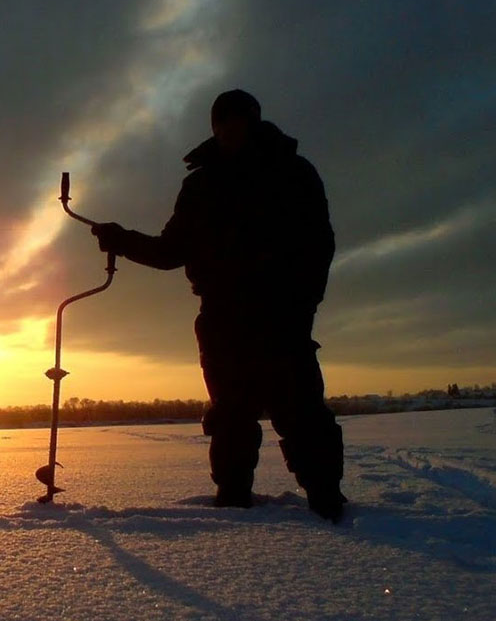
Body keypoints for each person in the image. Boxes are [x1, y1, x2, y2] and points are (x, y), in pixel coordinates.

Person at [92, 89, 346, 522]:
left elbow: (319, 245)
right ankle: (233, 504)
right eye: (219, 123)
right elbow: (171, 251)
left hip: (282, 317)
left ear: (253, 121)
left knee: (301, 410)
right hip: (222, 319)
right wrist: (122, 239)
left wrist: (303, 303)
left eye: (236, 121)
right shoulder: (200, 184)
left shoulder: (293, 173)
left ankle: (327, 500)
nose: (227, 130)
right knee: (230, 416)